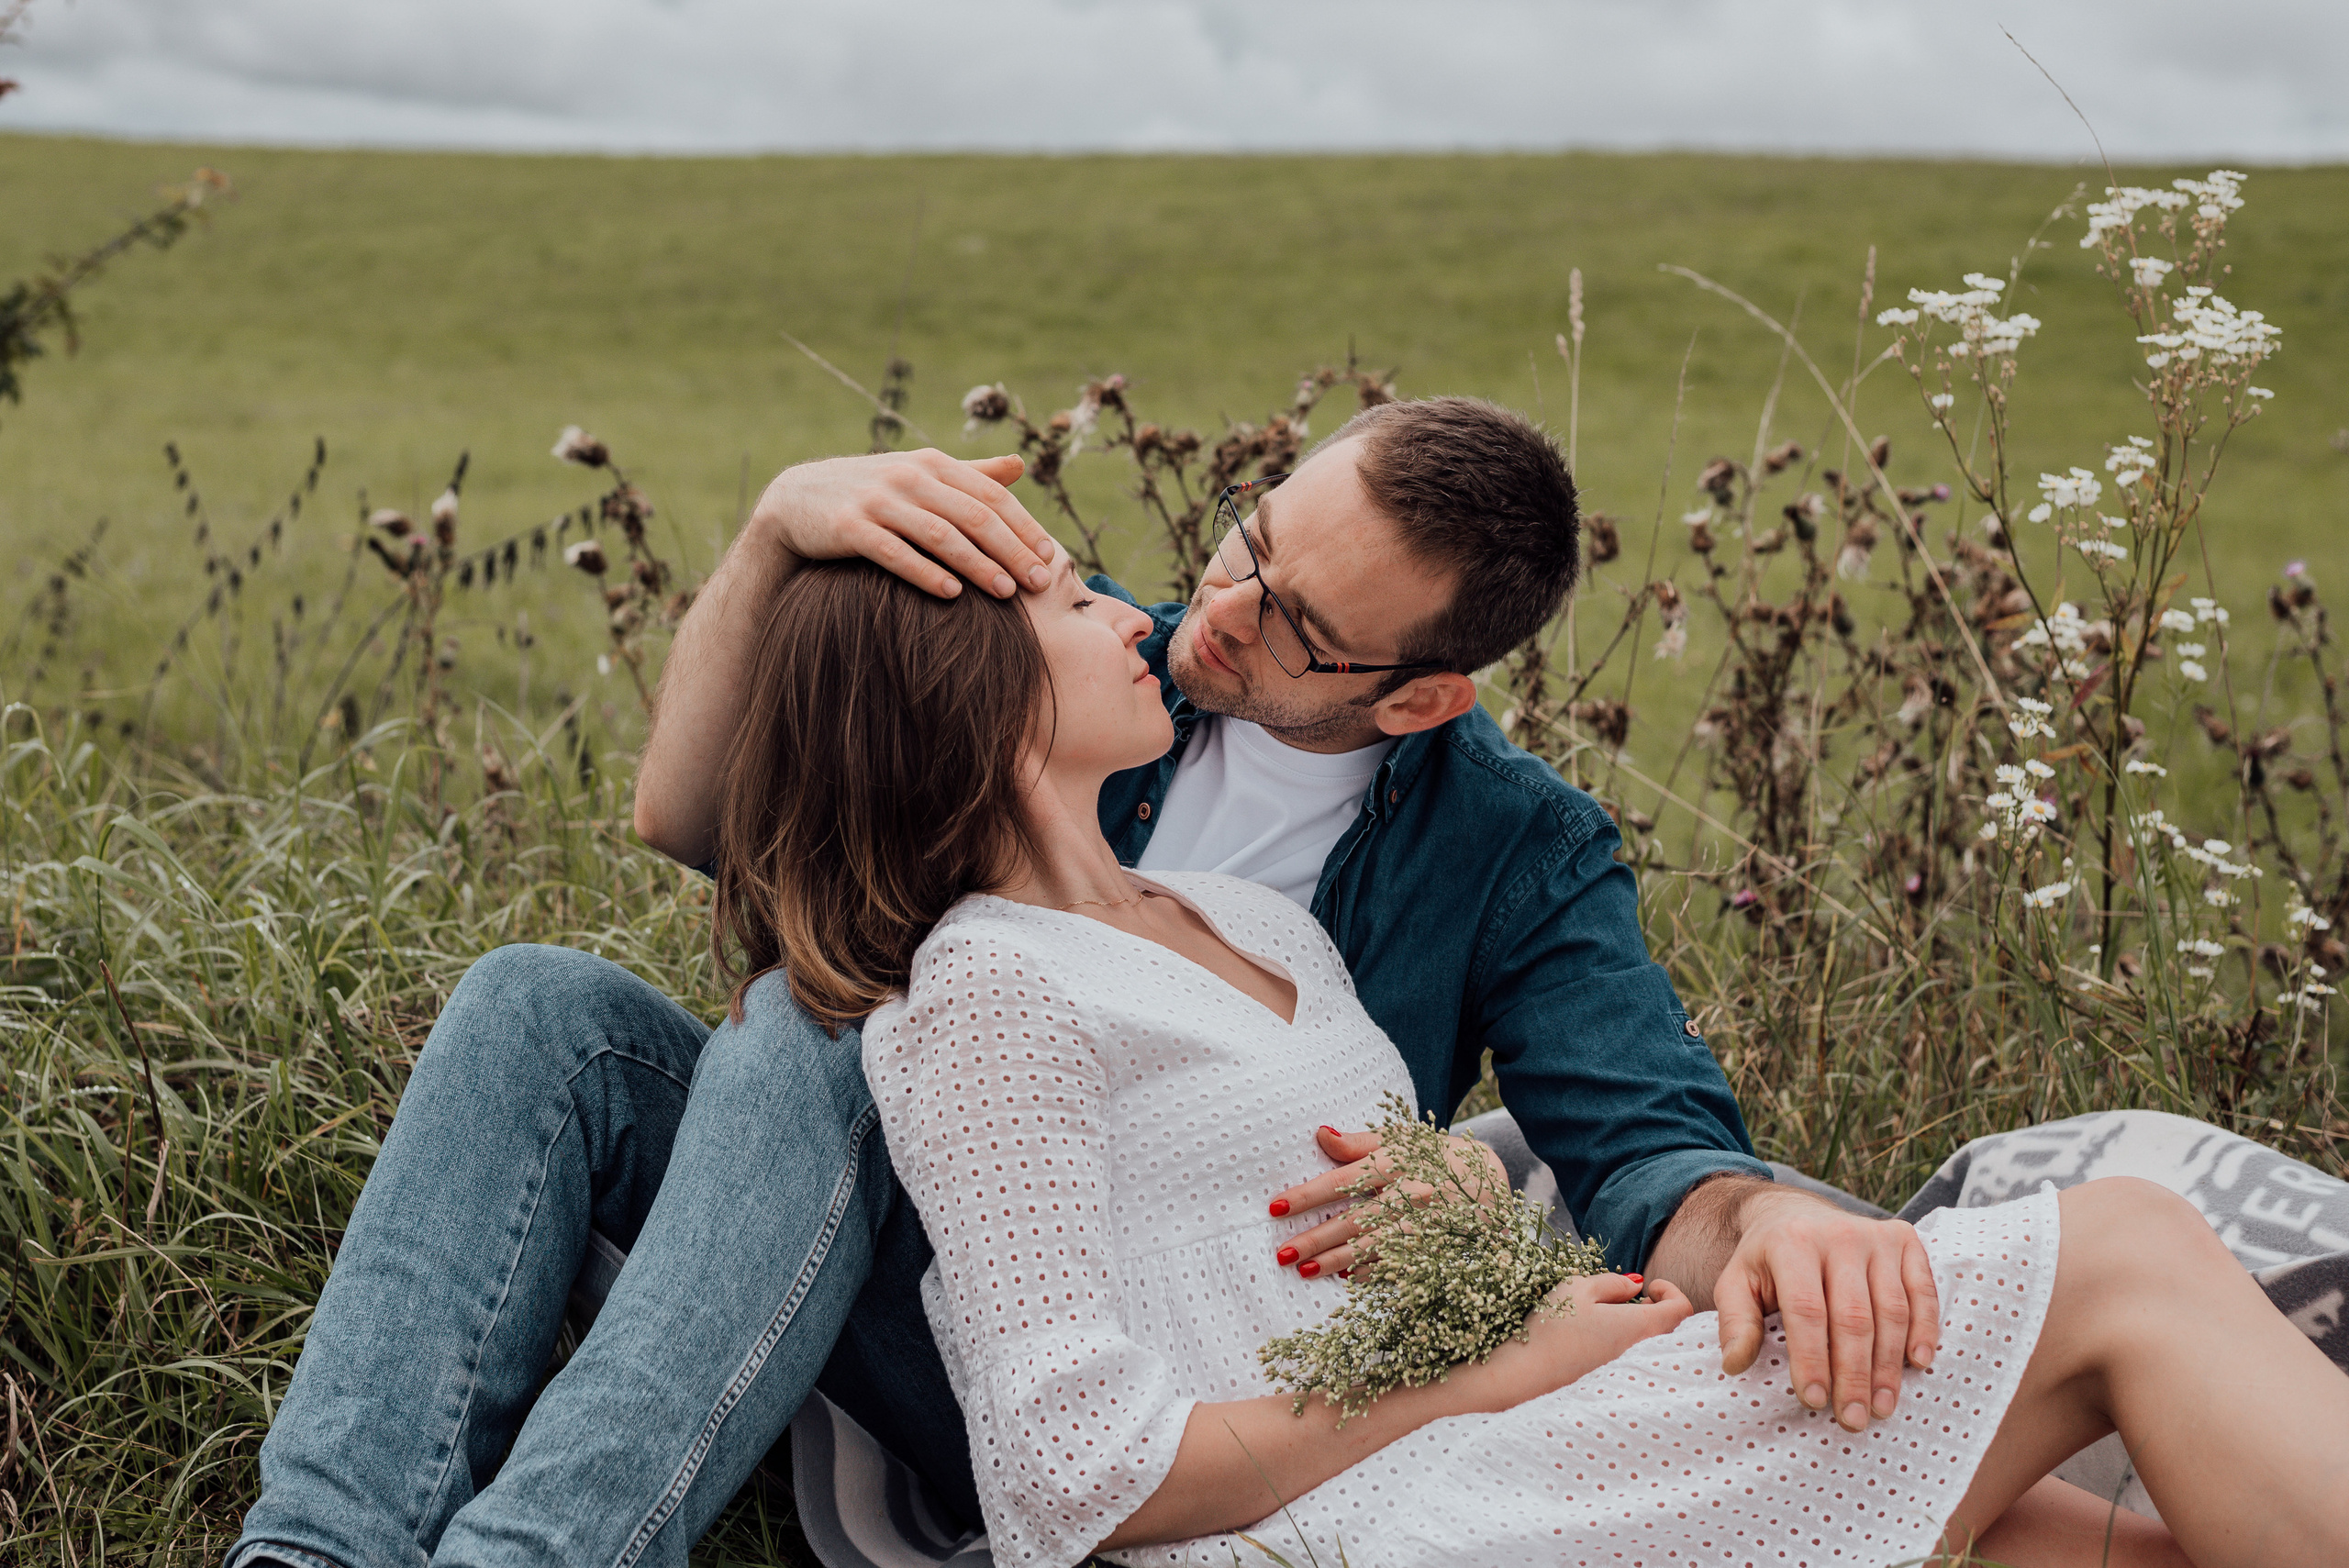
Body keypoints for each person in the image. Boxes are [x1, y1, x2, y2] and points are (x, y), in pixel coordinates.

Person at [218, 400, 2300, 1568]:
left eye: (1286, 623)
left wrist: (1590, 1212)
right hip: (978, 1306)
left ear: (1414, 698)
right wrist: (772, 533)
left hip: (1221, 1332)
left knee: (2045, 1526)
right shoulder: (1073, 673)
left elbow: (1642, 1139)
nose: (1204, 620)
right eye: (1234, 548)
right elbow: (709, 818)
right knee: (631, 1013)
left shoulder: (1496, 850)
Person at [767, 540, 2349, 1567]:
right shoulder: (985, 991)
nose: (1134, 610)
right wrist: (1501, 1366)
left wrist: (1478, 1220)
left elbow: (1334, 1249)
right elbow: (1067, 1485)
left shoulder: (1249, 918)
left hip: (1504, 1434)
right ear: (960, 690)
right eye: (1066, 605)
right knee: (2124, 1248)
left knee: (2084, 1545)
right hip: (1371, 1520)